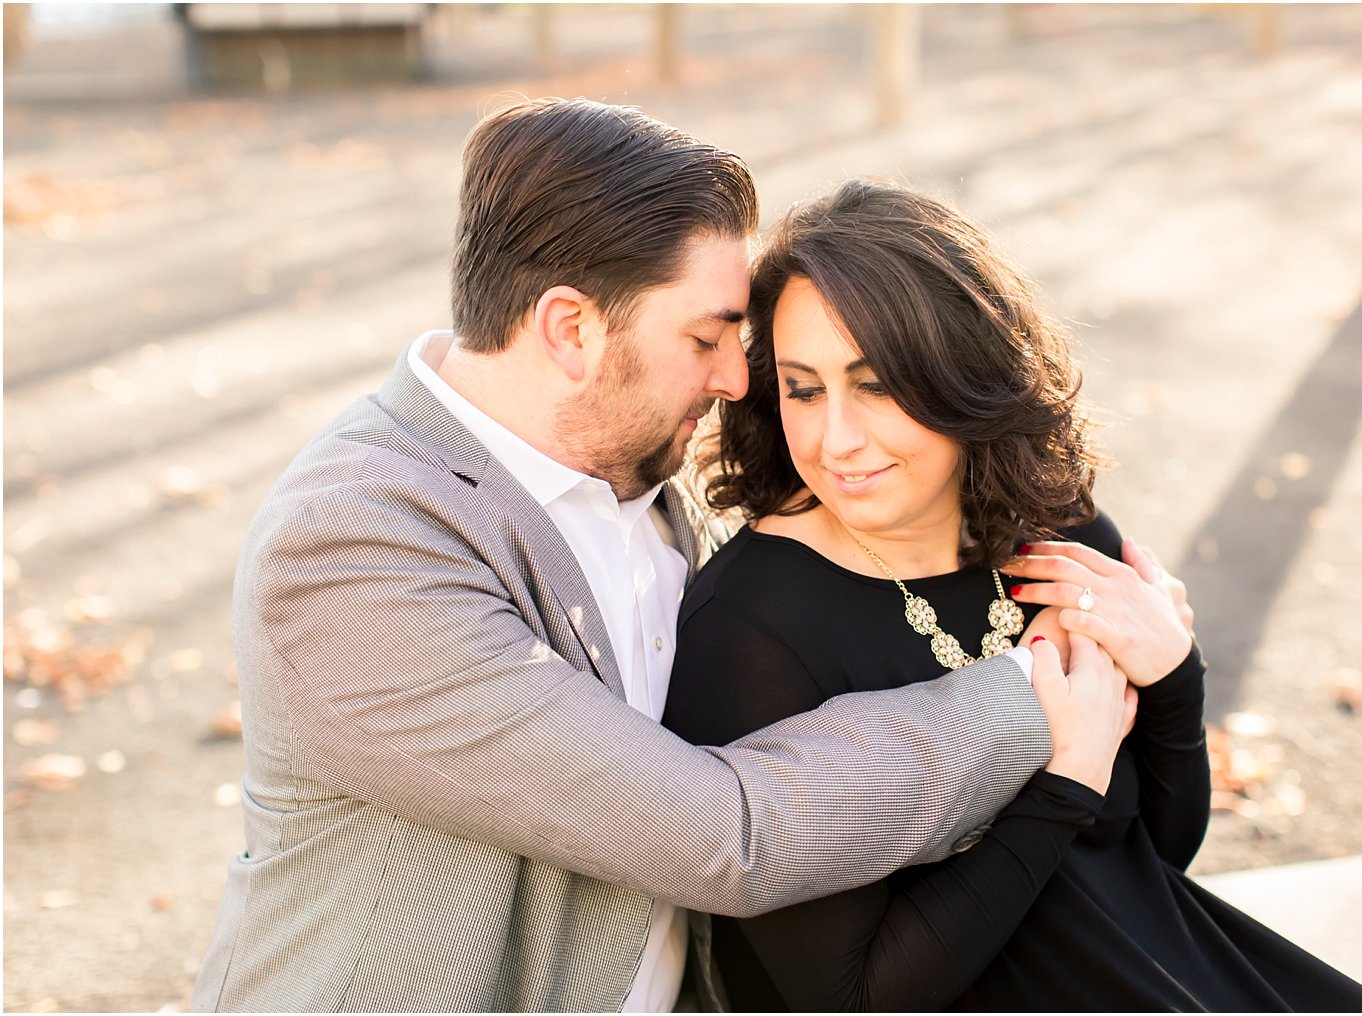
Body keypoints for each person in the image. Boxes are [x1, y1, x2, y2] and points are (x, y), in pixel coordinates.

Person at [188, 99, 1126, 1013]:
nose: (734, 378)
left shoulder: (639, 472)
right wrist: (1040, 689)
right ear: (572, 329)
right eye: (706, 337)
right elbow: (725, 834)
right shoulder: (356, 551)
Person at [664, 179, 1362, 1012]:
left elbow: (1154, 854)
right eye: (804, 388)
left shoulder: (1060, 538)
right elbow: (851, 995)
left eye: (875, 385)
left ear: (959, 373)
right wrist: (1064, 783)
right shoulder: (751, 631)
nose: (837, 438)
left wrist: (1172, 674)